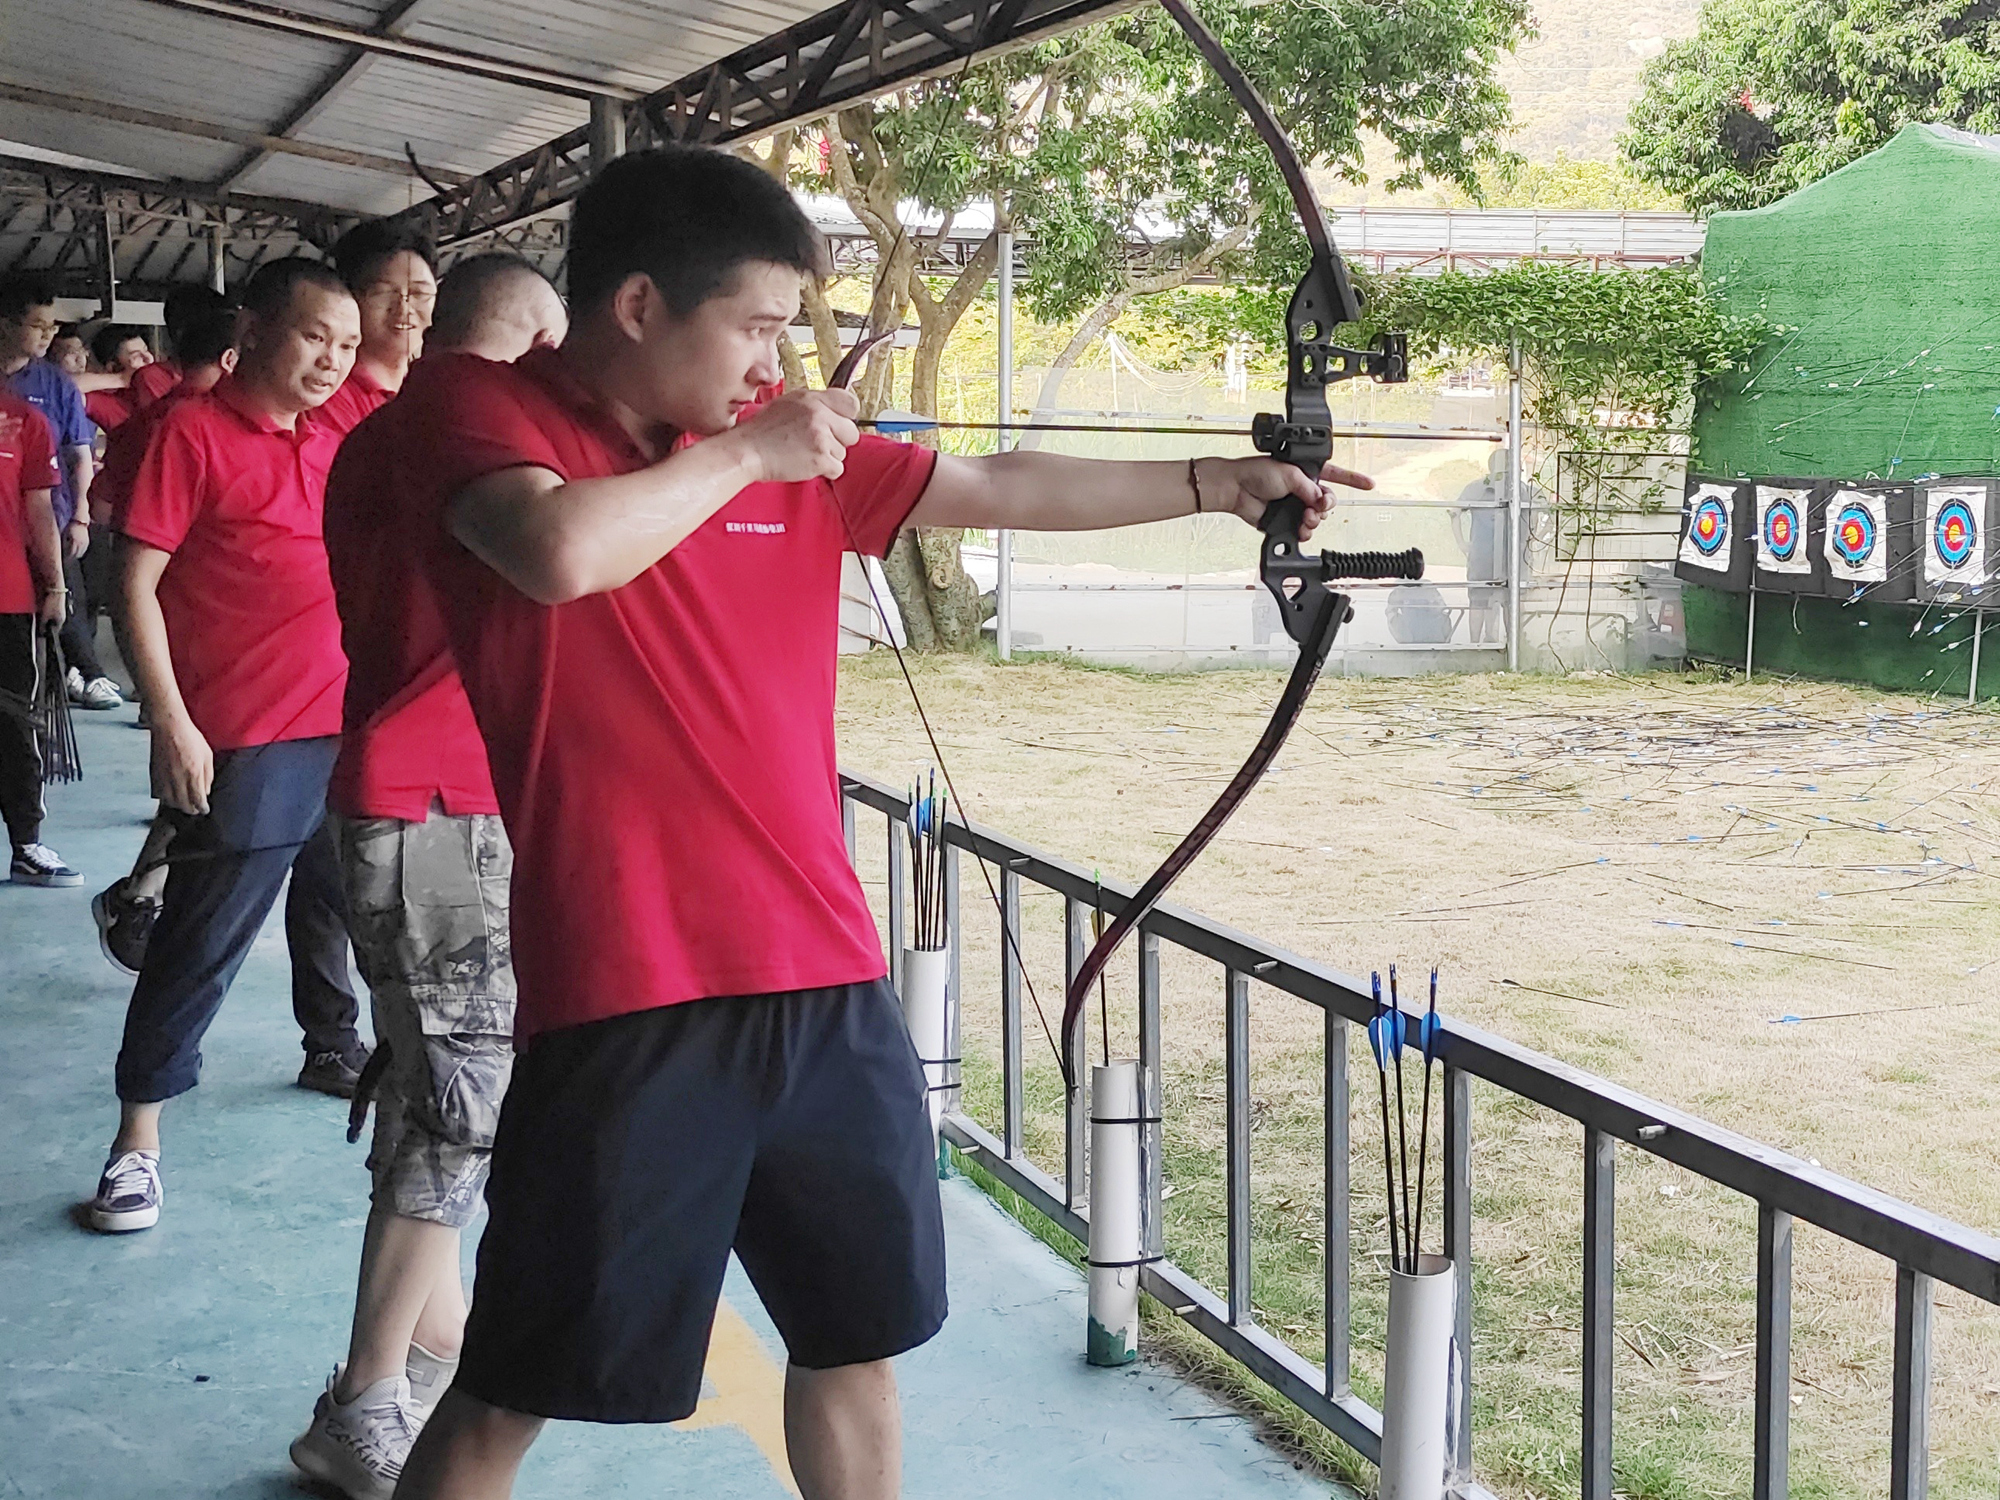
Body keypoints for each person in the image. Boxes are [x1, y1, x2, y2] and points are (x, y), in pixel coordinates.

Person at [385, 146, 1368, 1500]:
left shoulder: (784, 448)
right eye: (753, 326)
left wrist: (1212, 482)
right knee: (517, 1382)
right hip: (629, 982)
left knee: (853, 1338)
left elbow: (999, 487)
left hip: (825, 975)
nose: (772, 362)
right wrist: (749, 453)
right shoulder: (481, 409)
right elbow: (557, 554)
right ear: (636, 306)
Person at [288, 253, 567, 1500]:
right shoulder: (457, 433)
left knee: (433, 1093)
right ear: (533, 342)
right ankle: (363, 1399)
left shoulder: (400, 432)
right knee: (461, 1103)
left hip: (431, 802)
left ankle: (414, 1354)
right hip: (431, 807)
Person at [85, 258, 371, 1237]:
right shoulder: (193, 434)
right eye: (314, 337)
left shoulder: (332, 438)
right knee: (202, 944)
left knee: (350, 909)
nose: (332, 360)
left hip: (347, 727)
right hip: (252, 736)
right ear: (252, 332)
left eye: (346, 344)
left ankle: (335, 1047)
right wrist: (170, 719)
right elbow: (133, 583)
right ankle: (136, 1141)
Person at [87, 299, 240, 974]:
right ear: (237, 355)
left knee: (204, 776)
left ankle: (141, 894)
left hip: (175, 622)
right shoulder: (197, 424)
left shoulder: (153, 420)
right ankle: (141, 897)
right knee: (211, 778)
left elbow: (104, 507)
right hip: (199, 624)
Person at [0, 277, 120, 710]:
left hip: (49, 516)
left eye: (52, 326)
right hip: (5, 527)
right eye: (38, 325)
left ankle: (82, 676)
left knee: (62, 603)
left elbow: (79, 455)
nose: (48, 335)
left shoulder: (56, 384)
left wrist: (80, 516)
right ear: (6, 324)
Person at [0, 385, 81, 886]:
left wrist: (55, 585)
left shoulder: (23, 420)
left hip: (8, 597)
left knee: (15, 723)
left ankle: (27, 843)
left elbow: (38, 509)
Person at [317, 219, 437, 439]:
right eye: (383, 293)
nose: (404, 308)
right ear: (349, 297)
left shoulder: (433, 388)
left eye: (419, 293)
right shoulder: (326, 392)